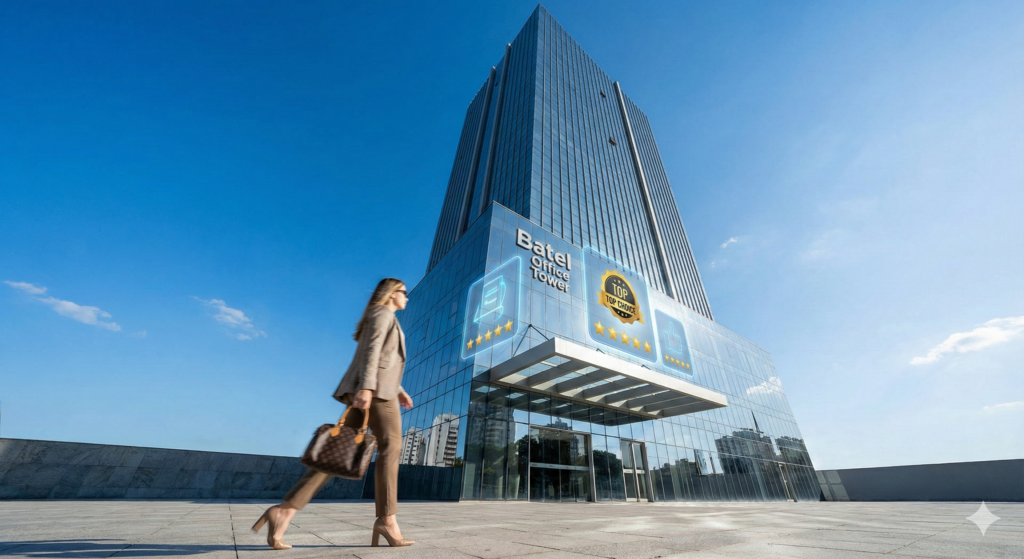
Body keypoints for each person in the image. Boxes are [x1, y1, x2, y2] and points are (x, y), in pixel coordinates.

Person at [252, 278, 415, 549]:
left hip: (377, 389)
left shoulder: (380, 315)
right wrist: (367, 387)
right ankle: (387, 521)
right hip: (375, 392)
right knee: (391, 448)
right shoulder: (383, 313)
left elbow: (381, 355)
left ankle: (284, 511)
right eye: (404, 292)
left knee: (333, 456)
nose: (407, 297)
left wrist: (399, 388)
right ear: (391, 294)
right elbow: (372, 352)